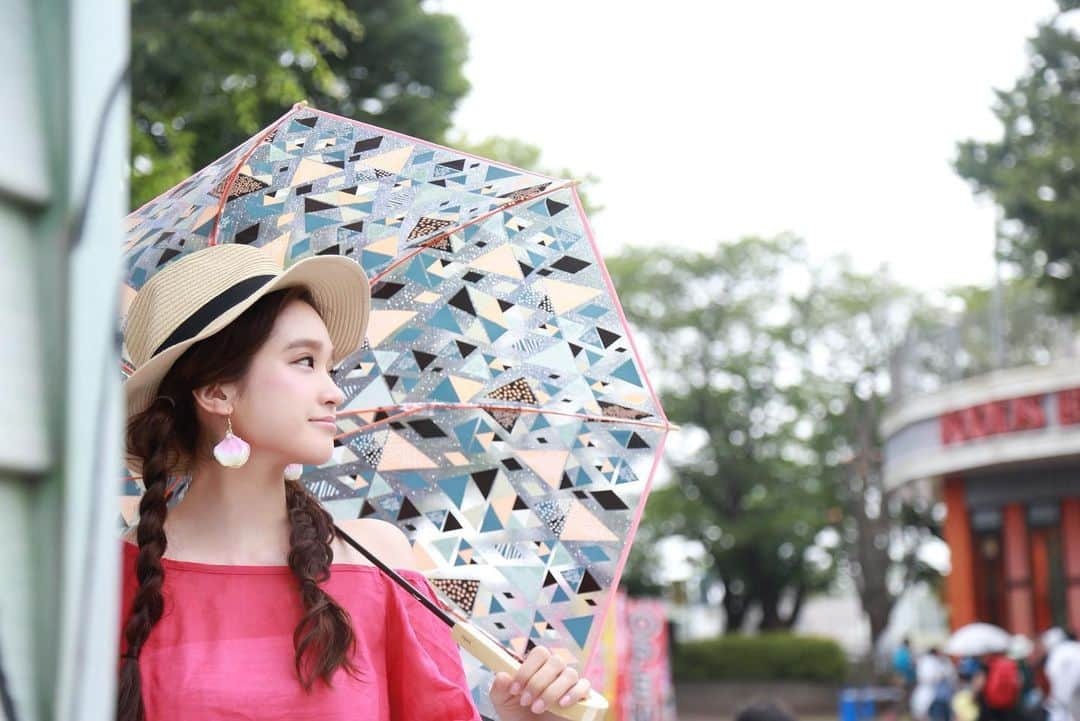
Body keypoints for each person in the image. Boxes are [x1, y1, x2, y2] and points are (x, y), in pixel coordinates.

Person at [117, 244, 593, 721]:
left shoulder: (378, 563)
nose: (333, 391)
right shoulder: (112, 580)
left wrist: (523, 717)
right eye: (304, 361)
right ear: (217, 392)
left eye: (331, 367)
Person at [913, 646, 955, 721]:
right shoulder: (930, 662)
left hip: (936, 696)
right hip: (933, 696)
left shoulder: (926, 661)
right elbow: (932, 677)